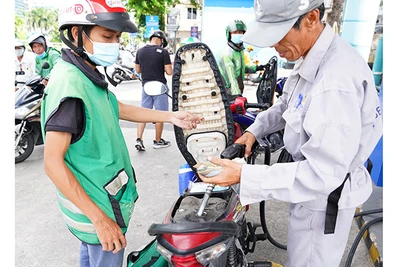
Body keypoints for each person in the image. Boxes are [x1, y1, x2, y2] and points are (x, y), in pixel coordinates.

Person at [200, 1, 383, 267]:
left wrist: (243, 175)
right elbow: (288, 105)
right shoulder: (311, 56)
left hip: (323, 199)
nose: (274, 45)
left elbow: (322, 172)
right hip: (309, 190)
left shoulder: (335, 82)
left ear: (311, 18)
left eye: (278, 33)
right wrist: (254, 130)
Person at [41, 1, 203, 267]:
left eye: (117, 37)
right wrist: (100, 220)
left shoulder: (85, 74)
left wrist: (170, 116)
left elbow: (116, 108)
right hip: (96, 209)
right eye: (107, 36)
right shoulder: (70, 86)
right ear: (75, 34)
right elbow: (52, 163)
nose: (114, 44)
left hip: (98, 203)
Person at [134, 30, 172, 151]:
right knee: (160, 115)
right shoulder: (163, 52)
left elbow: (138, 70)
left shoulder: (140, 51)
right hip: (159, 87)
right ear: (161, 40)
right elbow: (169, 72)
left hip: (146, 87)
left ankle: (139, 139)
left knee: (143, 114)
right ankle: (157, 141)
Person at [217, 19, 266, 95]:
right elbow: (231, 79)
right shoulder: (227, 53)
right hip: (229, 93)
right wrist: (237, 95)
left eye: (240, 32)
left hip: (238, 90)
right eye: (235, 32)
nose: (238, 34)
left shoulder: (239, 51)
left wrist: (257, 68)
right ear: (229, 34)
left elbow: (241, 68)